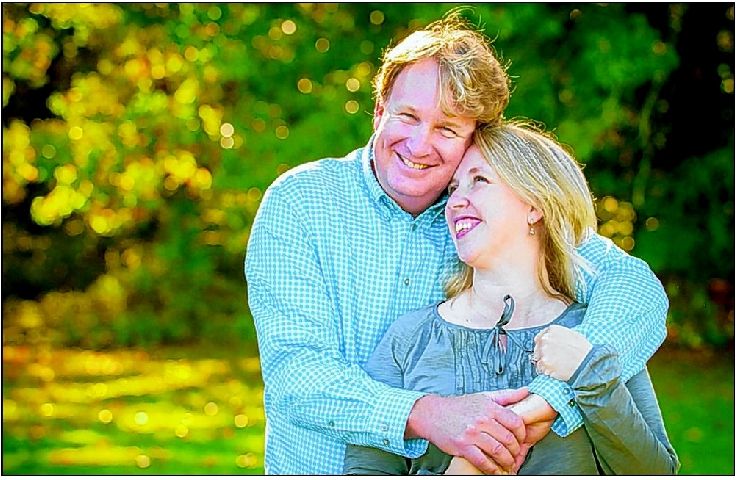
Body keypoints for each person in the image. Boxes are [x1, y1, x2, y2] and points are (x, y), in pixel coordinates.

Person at [245, 12, 669, 475]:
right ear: (380, 110)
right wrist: (429, 415)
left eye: (447, 128)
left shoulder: (492, 222)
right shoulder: (301, 202)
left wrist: (552, 395)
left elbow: (635, 288)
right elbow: (296, 373)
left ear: (475, 138)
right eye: (407, 116)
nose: (419, 144)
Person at [342, 121, 680, 474]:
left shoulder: (596, 329)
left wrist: (590, 377)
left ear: (534, 204)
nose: (455, 201)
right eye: (453, 188)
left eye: (479, 180)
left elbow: (656, 471)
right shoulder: (409, 338)